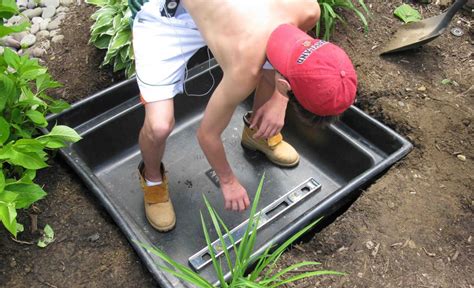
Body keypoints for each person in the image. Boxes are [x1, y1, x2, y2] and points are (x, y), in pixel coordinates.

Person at [132, 0, 357, 232]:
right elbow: (207, 135)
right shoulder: (245, 68)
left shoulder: (308, 9)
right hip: (169, 18)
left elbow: (290, 54)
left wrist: (280, 100)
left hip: (233, 18)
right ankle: (152, 180)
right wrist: (228, 181)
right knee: (159, 126)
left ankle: (256, 134)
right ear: (285, 85)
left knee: (269, 61)